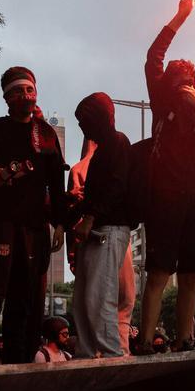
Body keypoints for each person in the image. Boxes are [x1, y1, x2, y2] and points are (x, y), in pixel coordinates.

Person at [139, 0, 195, 352]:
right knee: (160, 272)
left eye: (187, 76)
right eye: (177, 74)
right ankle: (145, 341)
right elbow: (153, 56)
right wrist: (180, 16)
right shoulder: (161, 100)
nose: (182, 79)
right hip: (165, 199)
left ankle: (185, 339)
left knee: (190, 274)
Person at [0, 66, 67, 365]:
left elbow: (56, 182)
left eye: (29, 89)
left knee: (26, 298)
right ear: (7, 97)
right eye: (18, 91)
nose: (25, 95)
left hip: (35, 227)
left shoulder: (46, 134)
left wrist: (60, 224)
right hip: (1, 223)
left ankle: (23, 359)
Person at [71, 92, 135, 358]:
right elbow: (97, 194)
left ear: (99, 118)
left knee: (99, 298)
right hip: (100, 229)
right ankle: (86, 355)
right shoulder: (103, 151)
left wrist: (90, 216)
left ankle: (111, 356)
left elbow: (117, 187)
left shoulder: (118, 143)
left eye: (84, 121)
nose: (81, 127)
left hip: (108, 230)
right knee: (83, 301)